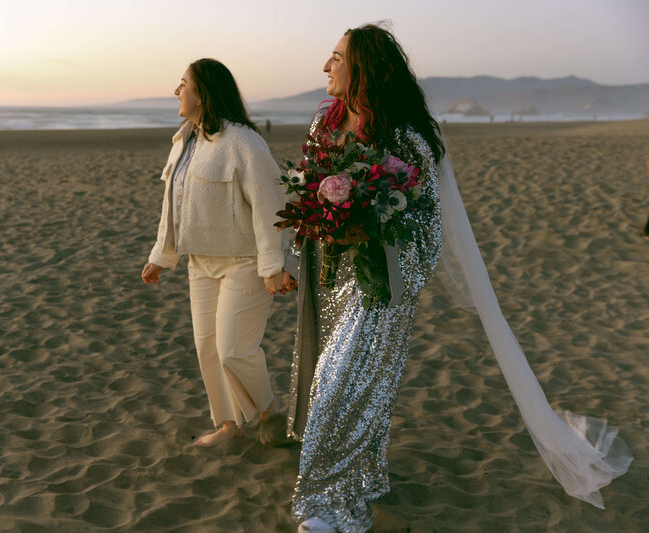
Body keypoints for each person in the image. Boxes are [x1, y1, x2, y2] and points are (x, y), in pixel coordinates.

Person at [286, 24, 631, 533]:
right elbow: (309, 186)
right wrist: (316, 226)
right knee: (342, 387)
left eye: (335, 58)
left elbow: (426, 222)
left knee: (346, 385)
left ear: (362, 68)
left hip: (383, 283)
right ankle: (356, 481)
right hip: (332, 274)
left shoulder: (408, 137)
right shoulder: (324, 119)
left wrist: (372, 229)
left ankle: (329, 508)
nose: (325, 67)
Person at [141, 58, 294, 448]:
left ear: (203, 92)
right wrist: (162, 254)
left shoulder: (244, 142)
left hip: (244, 262)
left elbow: (269, 205)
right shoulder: (185, 140)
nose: (177, 91)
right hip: (200, 262)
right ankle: (228, 426)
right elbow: (173, 202)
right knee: (208, 348)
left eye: (183, 84)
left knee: (233, 350)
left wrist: (274, 264)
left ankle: (271, 409)